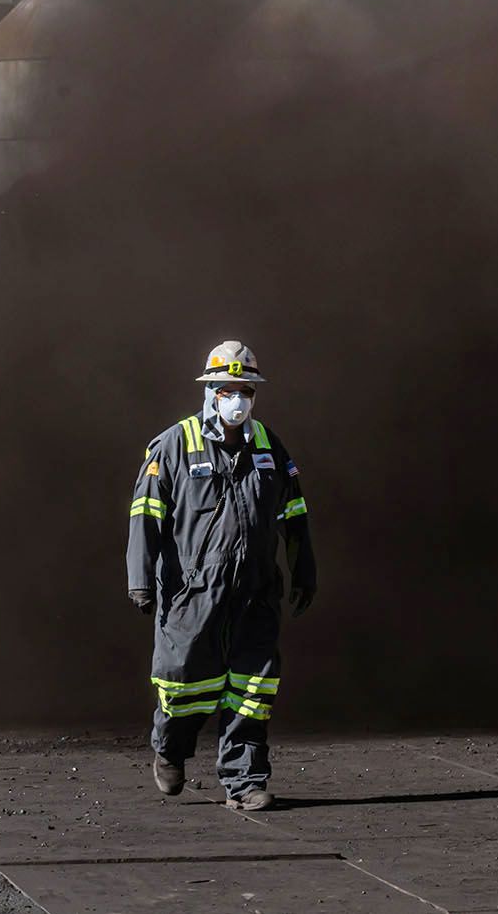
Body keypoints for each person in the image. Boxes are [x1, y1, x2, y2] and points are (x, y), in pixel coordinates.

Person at [127, 340, 317, 810]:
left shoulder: (269, 447)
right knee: (184, 684)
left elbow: (293, 513)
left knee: (253, 691)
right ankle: (170, 747)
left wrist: (303, 569)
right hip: (193, 593)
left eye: (246, 390)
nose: (238, 399)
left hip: (254, 592)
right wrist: (141, 577)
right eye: (228, 389)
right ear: (209, 390)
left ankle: (245, 781)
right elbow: (145, 515)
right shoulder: (173, 444)